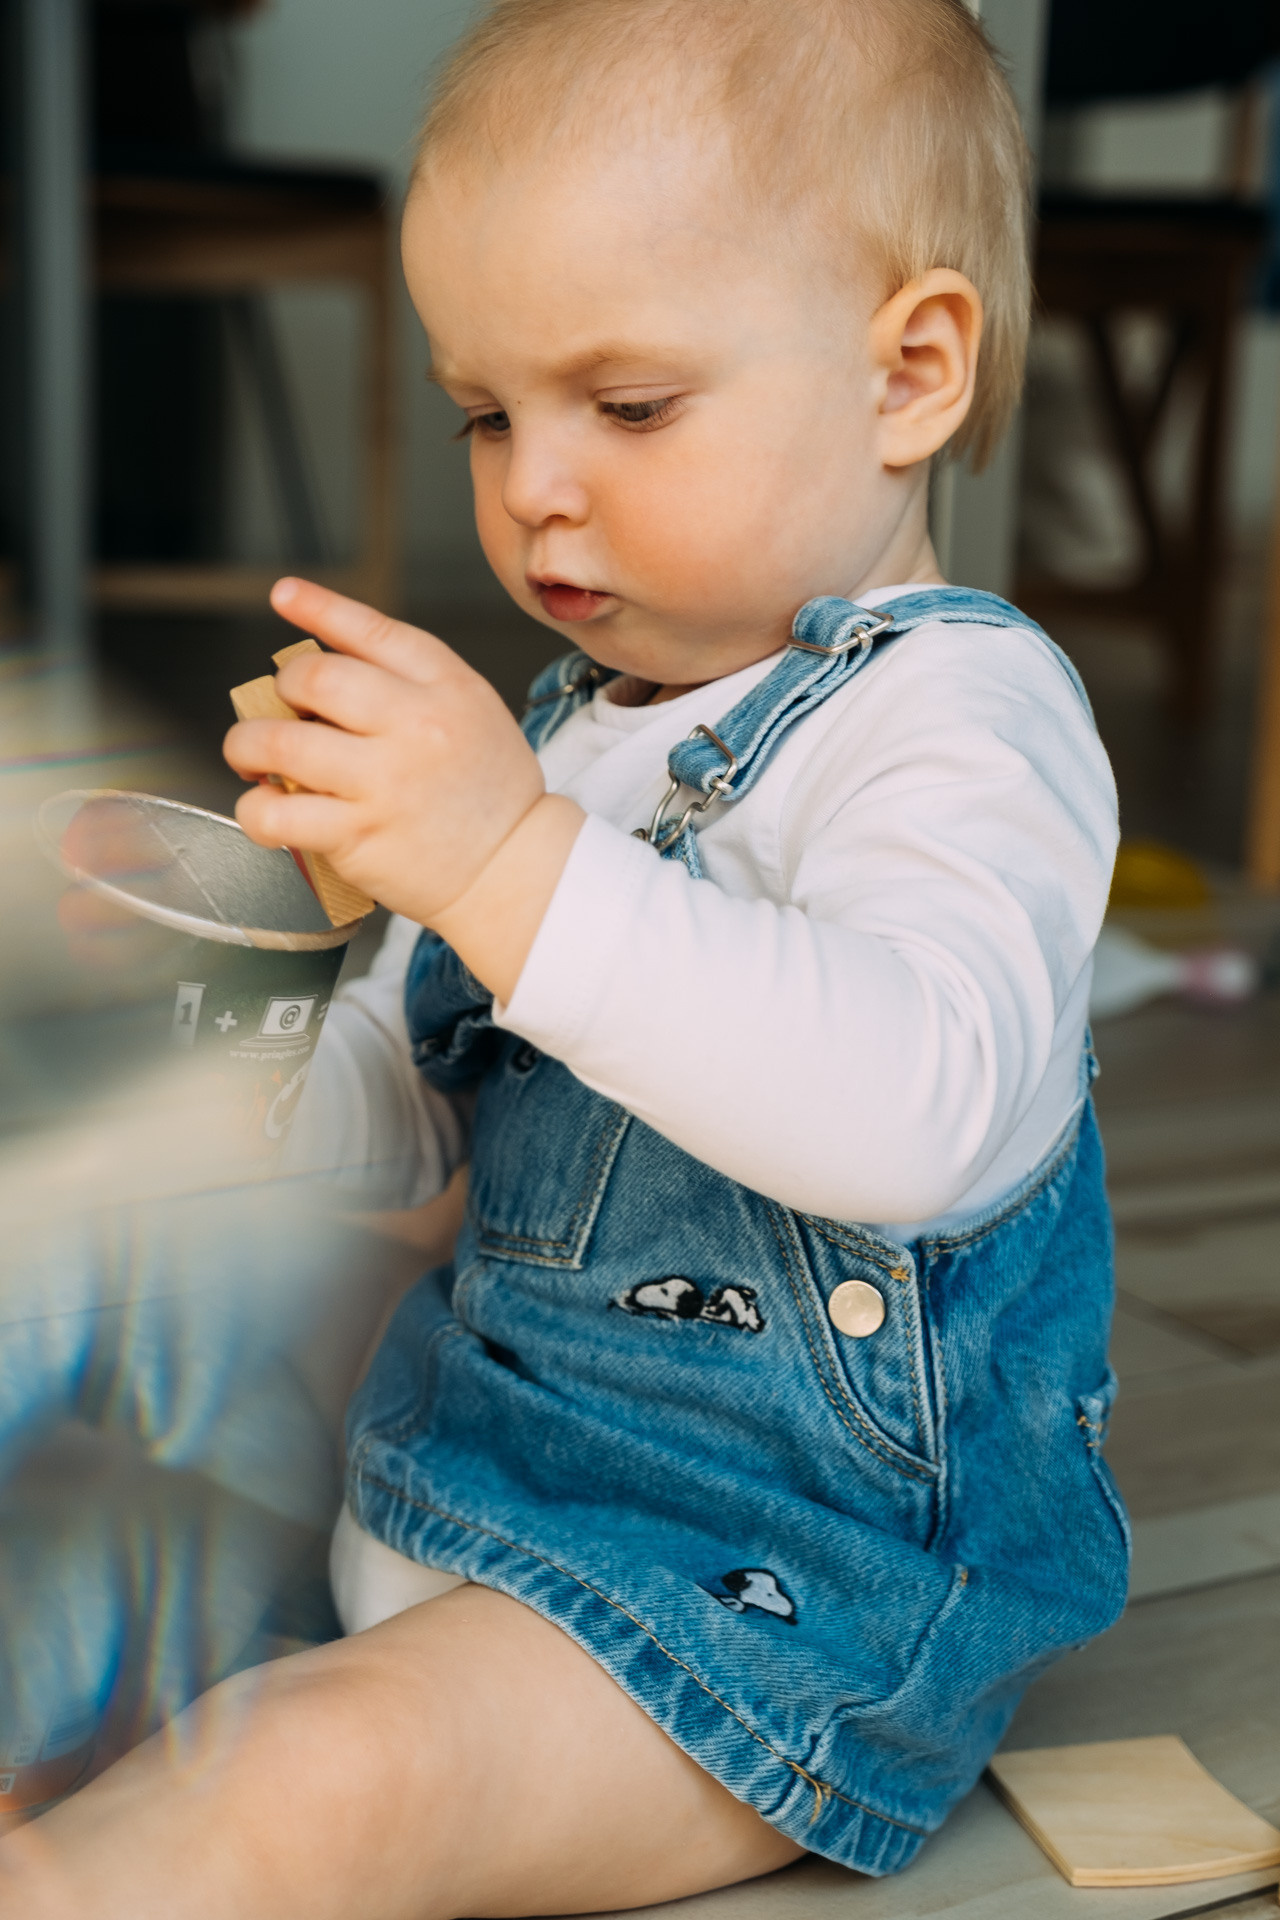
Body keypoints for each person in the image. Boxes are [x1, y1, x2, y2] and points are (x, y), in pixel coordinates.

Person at [0, 0, 1129, 1912]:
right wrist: (247, 1030)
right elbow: (419, 1126)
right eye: (486, 412)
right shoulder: (568, 733)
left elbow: (916, 1110)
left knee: (313, 1779)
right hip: (461, 1465)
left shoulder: (962, 722)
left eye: (627, 406)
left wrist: (510, 860)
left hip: (753, 1616)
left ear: (911, 372)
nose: (534, 484)